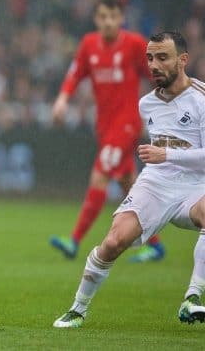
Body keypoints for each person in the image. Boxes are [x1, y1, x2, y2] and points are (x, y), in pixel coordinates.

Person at [54, 31, 205, 328]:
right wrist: (160, 161)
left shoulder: (201, 99)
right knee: (113, 241)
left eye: (162, 57)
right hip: (157, 183)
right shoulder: (146, 104)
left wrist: (167, 156)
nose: (154, 64)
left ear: (183, 60)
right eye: (150, 58)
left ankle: (194, 296)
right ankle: (78, 309)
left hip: (196, 186)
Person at [50, 0, 166, 263]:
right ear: (96, 19)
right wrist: (62, 99)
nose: (108, 22)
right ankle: (156, 245)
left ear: (121, 19)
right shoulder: (88, 44)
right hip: (104, 125)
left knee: (100, 176)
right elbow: (75, 74)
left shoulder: (135, 44)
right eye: (103, 17)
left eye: (113, 16)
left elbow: (156, 75)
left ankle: (74, 239)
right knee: (130, 185)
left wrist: (165, 107)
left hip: (126, 124)